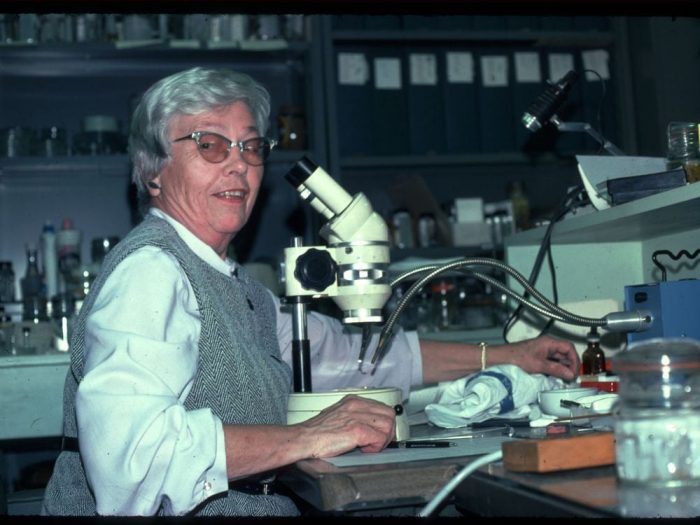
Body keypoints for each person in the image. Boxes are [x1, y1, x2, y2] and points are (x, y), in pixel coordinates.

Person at [42, 67, 579, 517]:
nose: (238, 162)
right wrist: (309, 436)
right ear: (152, 170)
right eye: (209, 144)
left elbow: (350, 360)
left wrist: (510, 355)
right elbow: (131, 460)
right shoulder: (151, 272)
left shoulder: (236, 286)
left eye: (251, 146)